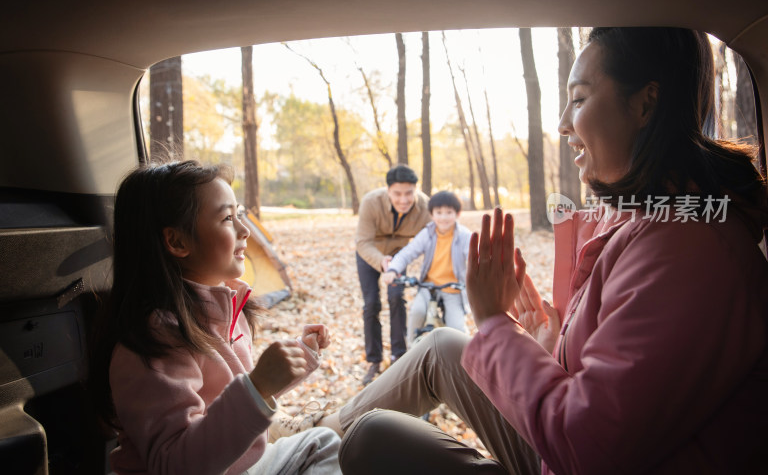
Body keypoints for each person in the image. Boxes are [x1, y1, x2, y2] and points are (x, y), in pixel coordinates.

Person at [325, 27, 768, 474]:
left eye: (578, 99)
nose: (562, 123)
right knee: (439, 347)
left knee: (372, 439)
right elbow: (615, 390)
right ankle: (318, 433)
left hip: (573, 457)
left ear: (645, 104)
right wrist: (545, 349)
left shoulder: (687, 248)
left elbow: (587, 447)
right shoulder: (650, 220)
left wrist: (495, 323)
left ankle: (315, 444)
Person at [90, 161, 341, 475]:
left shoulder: (222, 308)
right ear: (177, 242)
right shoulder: (154, 340)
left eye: (239, 214)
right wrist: (257, 387)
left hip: (238, 464)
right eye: (227, 218)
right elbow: (175, 465)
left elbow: (235, 402)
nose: (244, 229)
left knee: (324, 443)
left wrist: (297, 359)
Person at [355, 164, 430, 384]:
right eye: (397, 194)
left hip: (398, 256)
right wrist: (380, 260)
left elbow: (434, 240)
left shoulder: (425, 207)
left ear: (416, 190)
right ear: (388, 191)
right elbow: (363, 241)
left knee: (397, 298)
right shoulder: (371, 202)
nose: (404, 200)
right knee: (371, 304)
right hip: (370, 254)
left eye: (409, 193)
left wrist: (397, 263)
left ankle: (398, 356)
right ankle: (374, 361)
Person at [381, 190, 471, 345]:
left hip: (454, 290)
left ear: (458, 214)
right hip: (428, 287)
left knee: (457, 329)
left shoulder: (465, 236)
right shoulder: (427, 234)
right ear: (432, 214)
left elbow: (477, 259)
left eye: (449, 212)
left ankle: (462, 364)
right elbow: (407, 253)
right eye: (439, 212)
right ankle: (411, 351)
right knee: (417, 312)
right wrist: (392, 270)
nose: (443, 217)